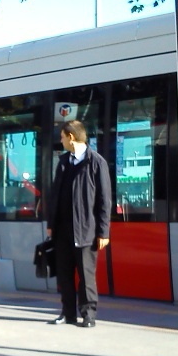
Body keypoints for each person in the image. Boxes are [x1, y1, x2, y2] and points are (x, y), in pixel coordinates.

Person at [45, 120, 111, 328]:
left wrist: (103, 232)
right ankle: (67, 313)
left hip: (86, 231)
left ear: (71, 137)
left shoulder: (96, 162)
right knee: (64, 274)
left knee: (86, 275)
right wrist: (51, 224)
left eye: (62, 137)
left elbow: (104, 200)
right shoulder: (64, 161)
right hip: (62, 230)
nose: (61, 141)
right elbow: (55, 195)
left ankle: (88, 314)